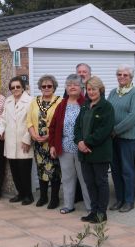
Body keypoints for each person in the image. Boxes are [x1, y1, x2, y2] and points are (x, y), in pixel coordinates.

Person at [75, 76, 114, 223]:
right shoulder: (85, 105)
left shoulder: (106, 107)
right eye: (89, 89)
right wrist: (79, 141)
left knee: (100, 182)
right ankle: (93, 211)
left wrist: (87, 143)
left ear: (100, 90)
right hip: (84, 153)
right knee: (89, 183)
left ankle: (101, 213)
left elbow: (104, 130)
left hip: (99, 152)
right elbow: (77, 126)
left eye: (94, 89)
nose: (91, 92)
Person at [49, 74, 91, 214]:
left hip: (82, 148)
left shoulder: (86, 103)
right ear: (66, 88)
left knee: (85, 178)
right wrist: (53, 145)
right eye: (69, 84)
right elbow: (53, 126)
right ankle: (68, 205)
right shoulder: (62, 104)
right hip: (65, 147)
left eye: (75, 84)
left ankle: (91, 206)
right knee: (67, 178)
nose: (72, 87)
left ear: (81, 87)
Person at [108, 64, 135, 213]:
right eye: (119, 74)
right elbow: (107, 111)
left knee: (127, 169)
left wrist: (115, 130)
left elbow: (133, 116)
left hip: (127, 138)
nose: (122, 77)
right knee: (115, 169)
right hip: (112, 138)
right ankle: (120, 199)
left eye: (125, 75)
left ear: (131, 77)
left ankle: (129, 201)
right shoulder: (113, 93)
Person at [0, 76, 34, 205]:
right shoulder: (8, 101)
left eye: (18, 86)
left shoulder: (30, 101)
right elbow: (3, 119)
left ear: (23, 87)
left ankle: (28, 195)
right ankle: (20, 193)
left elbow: (32, 122)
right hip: (10, 141)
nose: (16, 89)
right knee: (15, 171)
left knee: (24, 171)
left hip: (24, 141)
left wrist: (27, 139)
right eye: (13, 87)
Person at [27, 74, 62, 209]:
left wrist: (49, 136)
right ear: (40, 88)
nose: (46, 88)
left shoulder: (60, 101)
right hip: (38, 143)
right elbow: (29, 120)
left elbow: (60, 123)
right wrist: (34, 135)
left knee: (54, 171)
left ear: (54, 87)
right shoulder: (34, 101)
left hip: (53, 143)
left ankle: (54, 198)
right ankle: (43, 197)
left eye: (49, 86)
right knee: (41, 169)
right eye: (44, 86)